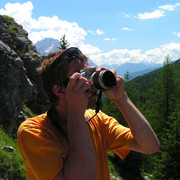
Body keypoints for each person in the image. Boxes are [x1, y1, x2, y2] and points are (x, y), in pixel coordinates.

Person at [17, 47, 160, 180]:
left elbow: (149, 146)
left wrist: (121, 99)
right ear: (60, 90)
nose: (91, 83)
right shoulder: (34, 132)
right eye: (81, 78)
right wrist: (75, 113)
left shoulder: (97, 120)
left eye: (91, 74)